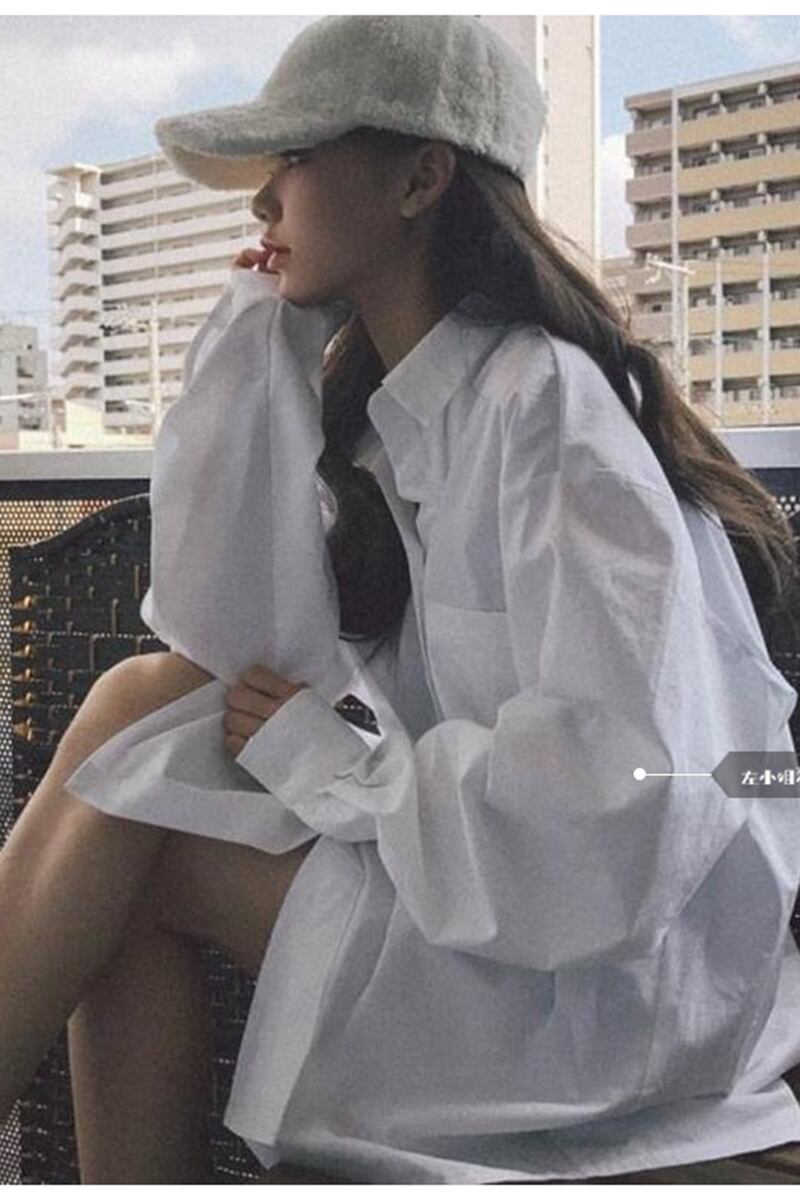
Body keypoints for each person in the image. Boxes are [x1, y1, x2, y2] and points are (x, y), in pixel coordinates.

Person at [2, 14, 800, 1186]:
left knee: (127, 853)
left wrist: (337, 765)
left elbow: (625, 797)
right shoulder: (402, 421)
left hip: (607, 978)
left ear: (420, 179)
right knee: (139, 699)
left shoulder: (544, 413)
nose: (261, 201)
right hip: (501, 884)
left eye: (292, 157)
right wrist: (259, 346)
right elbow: (219, 640)